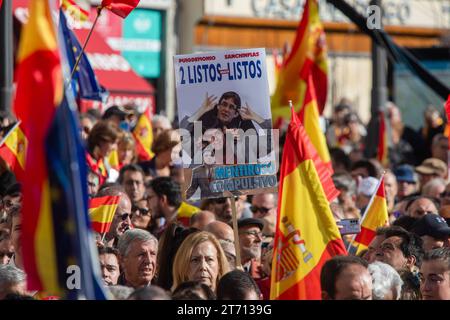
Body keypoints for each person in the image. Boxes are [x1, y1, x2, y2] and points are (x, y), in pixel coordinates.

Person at [86, 120, 120, 185]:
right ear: (100, 140)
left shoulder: (103, 164)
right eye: (113, 143)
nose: (115, 148)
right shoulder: (82, 161)